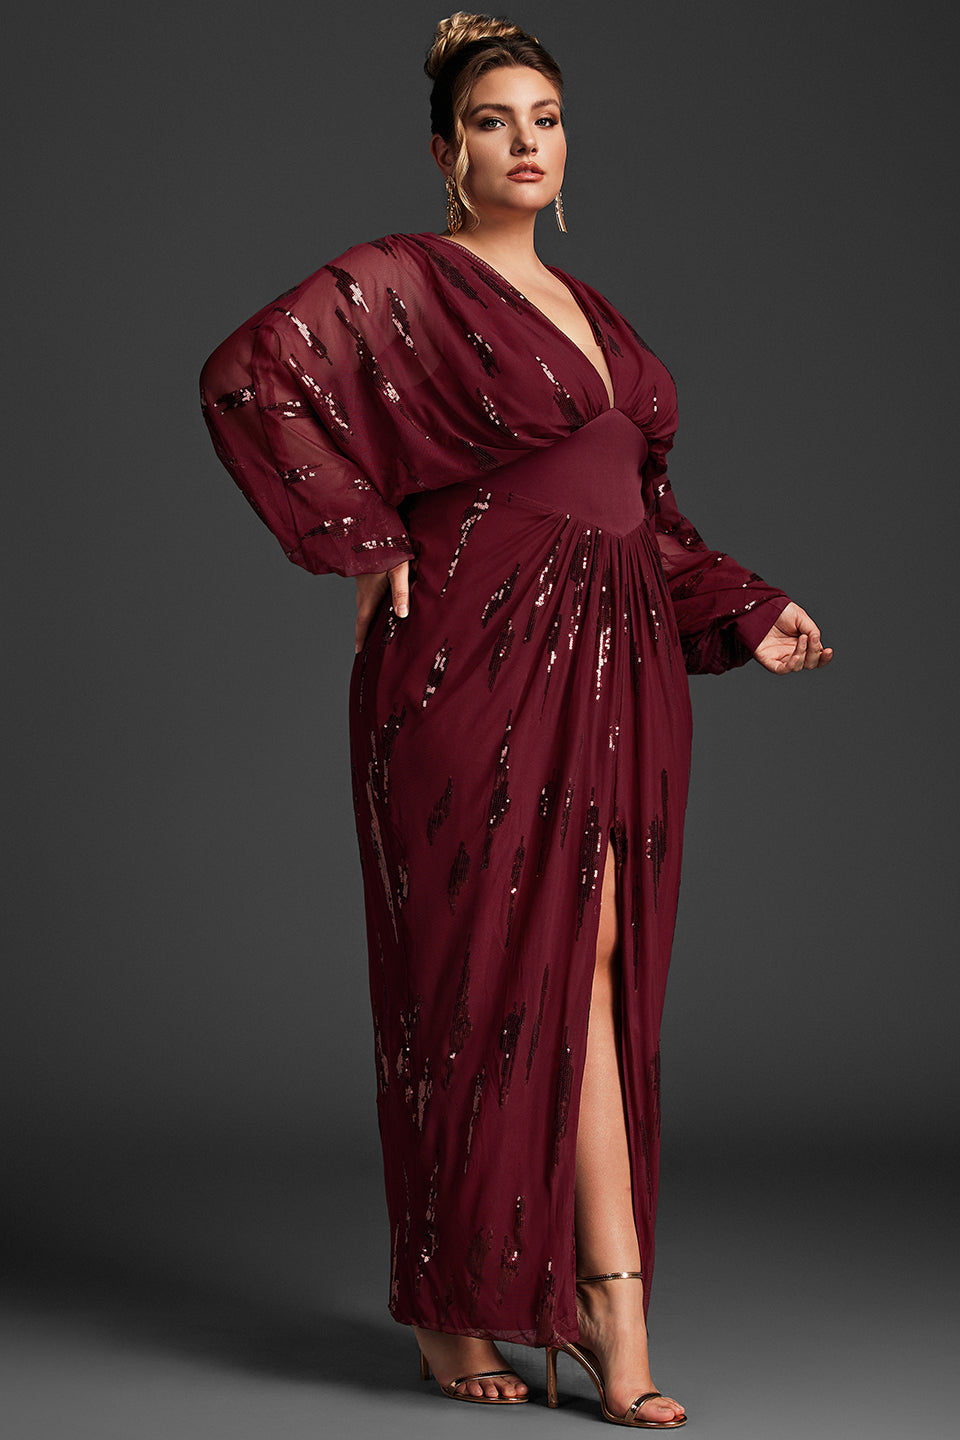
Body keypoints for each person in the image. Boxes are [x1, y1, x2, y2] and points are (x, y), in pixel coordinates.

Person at [199, 11, 832, 1429]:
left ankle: (579, 1301)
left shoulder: (600, 318)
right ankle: (506, 1308)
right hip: (471, 663)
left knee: (595, 966)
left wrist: (747, 605)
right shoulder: (408, 282)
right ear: (447, 151)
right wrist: (365, 538)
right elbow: (250, 377)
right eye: (493, 121)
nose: (525, 142)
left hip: (615, 671)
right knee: (482, 980)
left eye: (544, 117)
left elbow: (642, 518)